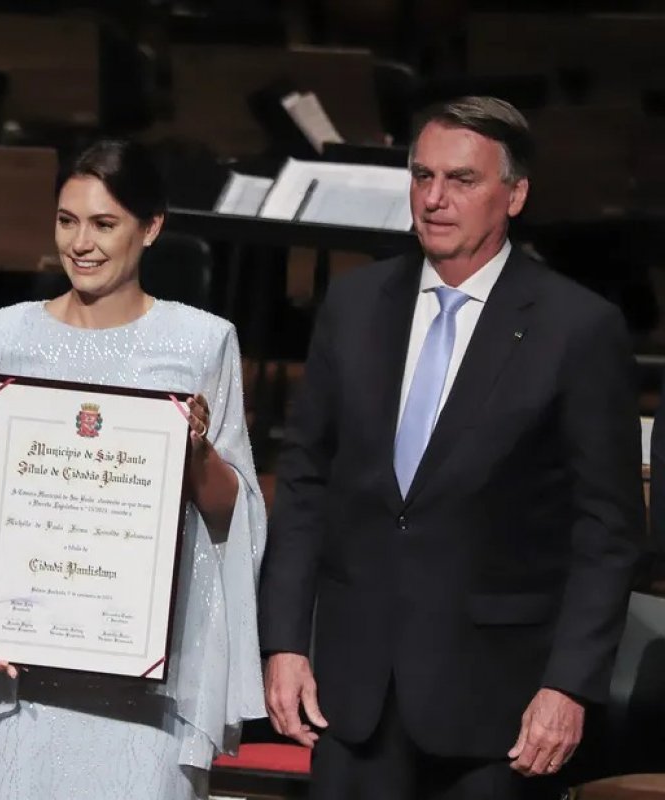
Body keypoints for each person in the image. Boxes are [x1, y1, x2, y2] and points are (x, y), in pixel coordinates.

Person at [258, 96, 643, 800]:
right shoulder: (354, 305)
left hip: (498, 708)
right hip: (353, 698)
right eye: (422, 176)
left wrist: (568, 685)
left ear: (514, 195)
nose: (434, 199)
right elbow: (305, 481)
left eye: (461, 180)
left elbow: (608, 529)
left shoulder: (577, 329)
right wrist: (283, 642)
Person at [0, 138, 267, 799]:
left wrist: (195, 452)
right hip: (21, 684)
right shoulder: (0, 340)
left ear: (150, 227)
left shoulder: (200, 343)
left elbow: (229, 518)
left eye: (104, 224)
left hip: (147, 687)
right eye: (67, 221)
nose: (81, 243)